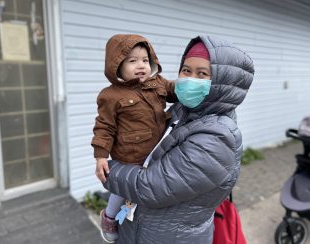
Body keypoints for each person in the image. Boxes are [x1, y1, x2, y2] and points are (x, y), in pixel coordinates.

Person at [103, 35, 254, 243]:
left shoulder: (218, 138)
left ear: (222, 84)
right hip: (139, 231)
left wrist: (109, 170)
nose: (189, 79)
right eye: (186, 70)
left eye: (202, 74)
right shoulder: (183, 111)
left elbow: (149, 187)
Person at [91, 34, 177, 243]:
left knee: (150, 189)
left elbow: (174, 92)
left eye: (145, 60)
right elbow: (104, 127)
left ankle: (138, 216)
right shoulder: (110, 96)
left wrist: (186, 85)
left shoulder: (157, 83)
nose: (141, 65)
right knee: (122, 190)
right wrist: (101, 156)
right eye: (132, 61)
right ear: (117, 66)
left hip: (157, 151)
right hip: (129, 156)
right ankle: (109, 217)